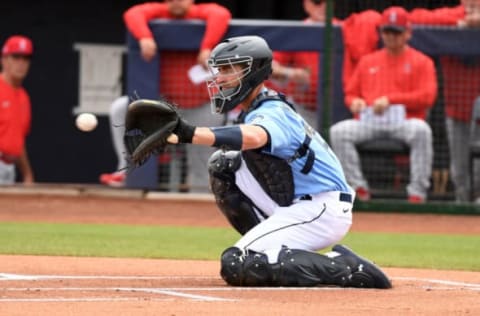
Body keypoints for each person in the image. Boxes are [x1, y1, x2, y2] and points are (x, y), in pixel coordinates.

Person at [153, 35, 392, 288]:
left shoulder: (272, 110)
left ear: (253, 71)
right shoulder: (256, 108)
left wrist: (189, 134)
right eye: (218, 70)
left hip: (321, 209)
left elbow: (256, 136)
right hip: (296, 203)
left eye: (227, 69)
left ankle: (344, 266)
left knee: (237, 265)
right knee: (224, 165)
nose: (219, 78)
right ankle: (269, 249)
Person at [100, 0, 231, 190]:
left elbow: (221, 14)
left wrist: (207, 46)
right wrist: (145, 37)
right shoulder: (158, 13)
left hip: (200, 106)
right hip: (164, 108)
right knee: (121, 107)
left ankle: (199, 203)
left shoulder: (201, 13)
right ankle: (126, 170)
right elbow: (133, 13)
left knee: (202, 170)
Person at [329, 7, 438, 203]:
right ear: (380, 32)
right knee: (339, 131)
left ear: (408, 33)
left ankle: (417, 194)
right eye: (387, 31)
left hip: (404, 121)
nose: (391, 36)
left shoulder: (422, 61)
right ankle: (358, 188)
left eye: (396, 32)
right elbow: (351, 94)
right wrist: (355, 102)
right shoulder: (368, 61)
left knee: (422, 130)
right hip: (370, 121)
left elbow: (428, 96)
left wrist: (392, 100)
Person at [269, 0, 383, 130]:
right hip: (305, 109)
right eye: (317, 2)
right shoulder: (297, 31)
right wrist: (290, 73)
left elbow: (374, 21)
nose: (322, 7)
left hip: (341, 110)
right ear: (306, 5)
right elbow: (270, 66)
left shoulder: (345, 28)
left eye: (326, 2)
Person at [409, 0, 480, 202]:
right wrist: (460, 22)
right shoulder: (454, 14)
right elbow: (415, 17)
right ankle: (461, 203)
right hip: (457, 107)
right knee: (459, 166)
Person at [0, 35, 35, 185]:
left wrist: (27, 174)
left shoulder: (23, 97)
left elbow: (18, 141)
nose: (21, 63)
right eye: (16, 57)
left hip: (9, 168)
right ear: (4, 59)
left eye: (26, 58)